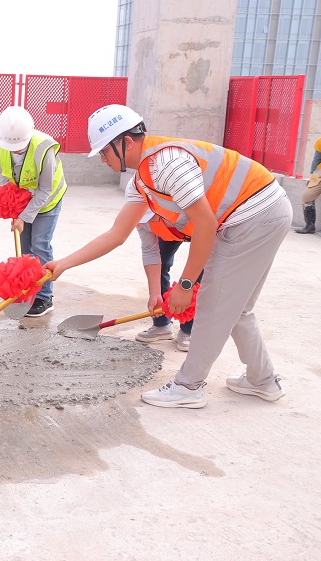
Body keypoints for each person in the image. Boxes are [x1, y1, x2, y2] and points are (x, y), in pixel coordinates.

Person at [45, 104, 292, 409]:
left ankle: (188, 386)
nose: (102, 159)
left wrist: (185, 285)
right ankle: (262, 380)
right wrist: (63, 264)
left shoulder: (167, 165)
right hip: (263, 212)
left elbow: (205, 224)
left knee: (212, 305)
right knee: (237, 307)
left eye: (104, 151)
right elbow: (116, 235)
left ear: (126, 143)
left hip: (252, 216)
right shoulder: (142, 180)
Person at [0, 105, 67, 316]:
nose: (14, 150)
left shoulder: (43, 148)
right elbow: (7, 176)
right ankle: (28, 291)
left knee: (40, 244)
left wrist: (24, 216)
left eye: (19, 147)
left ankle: (45, 297)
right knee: (25, 249)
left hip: (48, 200)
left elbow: (45, 190)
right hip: (23, 200)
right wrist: (12, 203)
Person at [133, 211, 199, 351]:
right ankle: (162, 325)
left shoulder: (193, 207)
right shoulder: (137, 210)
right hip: (173, 225)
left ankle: (188, 330)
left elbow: (202, 251)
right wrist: (155, 294)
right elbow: (150, 252)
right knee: (160, 262)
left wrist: (185, 286)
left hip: (204, 227)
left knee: (199, 274)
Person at [294, 135, 321, 234]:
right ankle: (309, 226)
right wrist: (312, 177)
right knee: (306, 197)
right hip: (319, 176)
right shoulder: (320, 141)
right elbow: (316, 160)